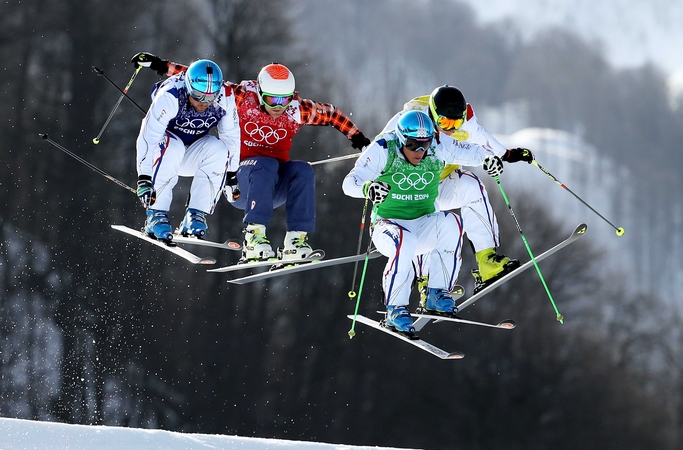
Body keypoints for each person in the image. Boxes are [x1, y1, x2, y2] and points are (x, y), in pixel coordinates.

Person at [133, 55, 370, 262]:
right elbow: (202, 80)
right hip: (242, 183)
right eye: (271, 100)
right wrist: (160, 65)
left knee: (302, 170)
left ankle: (295, 242)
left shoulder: (296, 110)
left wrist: (358, 138)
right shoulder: (242, 98)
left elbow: (332, 114)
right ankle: (254, 238)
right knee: (264, 164)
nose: (278, 107)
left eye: (284, 100)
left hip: (271, 187)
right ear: (259, 93)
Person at [342, 111, 504, 335]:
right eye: (412, 144)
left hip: (423, 222)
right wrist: (367, 188)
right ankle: (395, 308)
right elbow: (349, 183)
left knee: (452, 223)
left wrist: (488, 159)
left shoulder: (437, 145)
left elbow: (470, 151)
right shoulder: (383, 148)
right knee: (405, 241)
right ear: (400, 139)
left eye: (424, 144)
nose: (419, 151)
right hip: (387, 226)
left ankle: (436, 293)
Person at [380, 85, 535, 296]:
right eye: (444, 122)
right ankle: (426, 281)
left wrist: (505, 155)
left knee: (472, 186)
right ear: (433, 114)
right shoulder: (409, 118)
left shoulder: (466, 119)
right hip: (413, 188)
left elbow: (483, 139)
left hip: (443, 182)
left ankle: (487, 261)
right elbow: (379, 146)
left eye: (456, 122)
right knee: (426, 216)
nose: (450, 127)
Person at [131, 54, 240, 244]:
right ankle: (156, 214)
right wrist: (144, 178)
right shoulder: (171, 95)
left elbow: (231, 136)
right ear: (189, 87)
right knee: (173, 146)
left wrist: (232, 175)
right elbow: (149, 137)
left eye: (210, 97)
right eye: (198, 96)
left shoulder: (226, 97)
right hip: (163, 153)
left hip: (193, 155)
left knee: (219, 148)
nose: (204, 102)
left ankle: (195, 215)